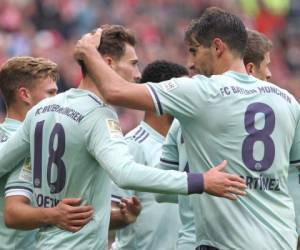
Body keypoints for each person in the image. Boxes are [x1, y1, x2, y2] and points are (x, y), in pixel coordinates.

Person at [0, 25, 245, 250]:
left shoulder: (42, 110)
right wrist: (200, 181)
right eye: (133, 63)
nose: (138, 74)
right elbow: (125, 173)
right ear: (107, 63)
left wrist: (117, 218)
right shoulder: (98, 115)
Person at [74, 7, 300, 250]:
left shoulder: (201, 92)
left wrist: (88, 52)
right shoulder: (287, 100)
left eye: (194, 51)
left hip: (228, 243)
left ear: (217, 47)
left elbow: (115, 91)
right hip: (281, 238)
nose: (190, 63)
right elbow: (294, 175)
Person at [0, 56, 93, 249]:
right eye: (51, 93)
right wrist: (54, 214)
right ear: (24, 94)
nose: (58, 100)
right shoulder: (29, 144)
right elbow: (13, 214)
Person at [111, 60, 188, 250]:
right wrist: (124, 216)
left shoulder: (188, 144)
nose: (190, 101)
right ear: (162, 97)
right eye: (185, 95)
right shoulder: (132, 145)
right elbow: (108, 213)